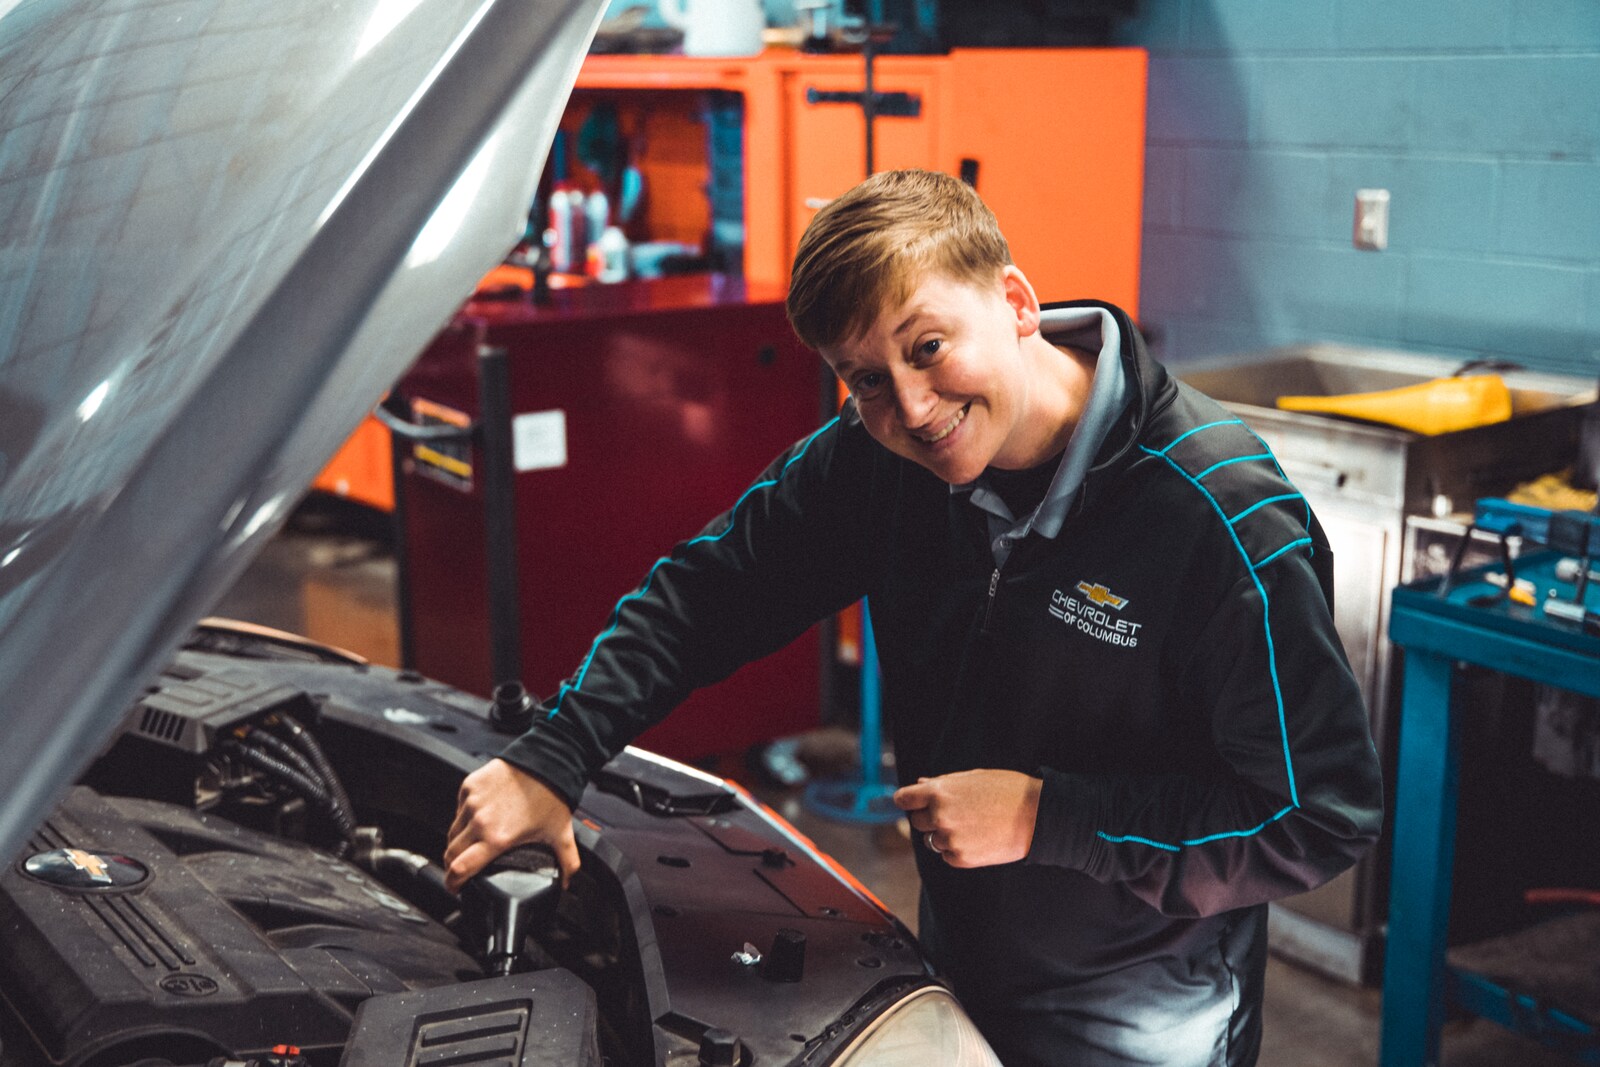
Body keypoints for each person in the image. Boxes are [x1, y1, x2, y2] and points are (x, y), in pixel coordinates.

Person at [444, 169, 1383, 1066]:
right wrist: (556, 753)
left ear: (1016, 302)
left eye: (927, 346)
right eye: (867, 380)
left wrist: (1050, 817)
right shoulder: (876, 460)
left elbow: (1318, 814)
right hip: (957, 955)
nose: (913, 408)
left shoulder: (1214, 517)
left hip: (1138, 1010)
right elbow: (710, 592)